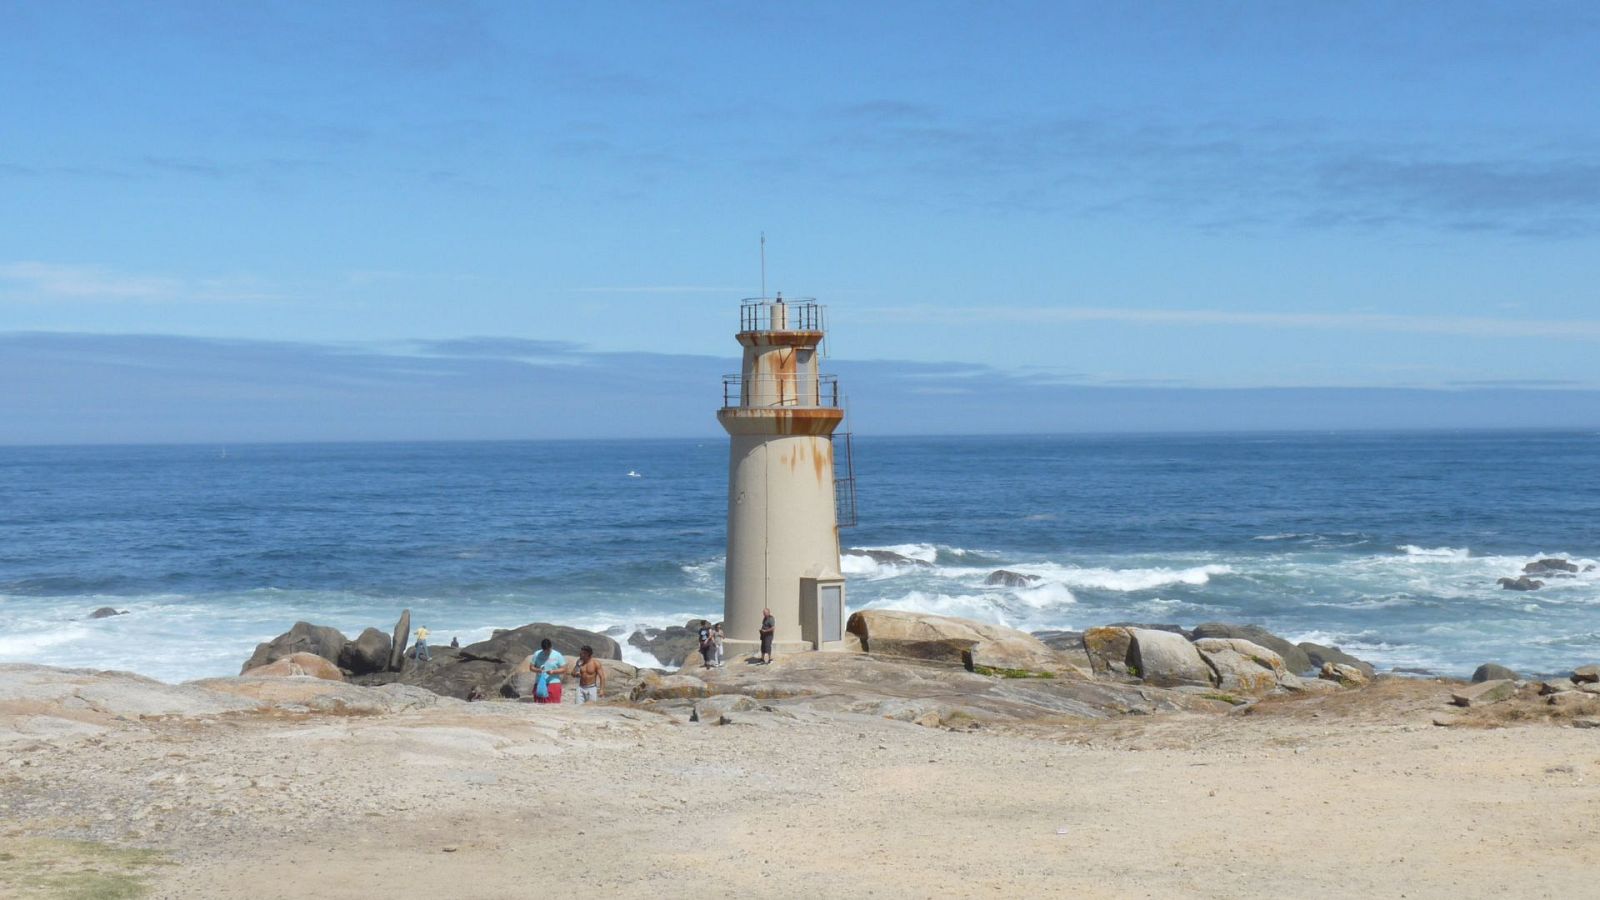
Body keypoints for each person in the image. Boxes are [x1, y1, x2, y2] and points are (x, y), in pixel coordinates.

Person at [530, 638, 566, 704]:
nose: (546, 652)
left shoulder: (557, 655)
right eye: (544, 650)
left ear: (551, 647)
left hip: (553, 683)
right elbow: (531, 667)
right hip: (539, 683)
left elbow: (564, 669)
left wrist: (553, 672)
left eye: (548, 650)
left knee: (553, 705)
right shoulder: (537, 654)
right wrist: (538, 670)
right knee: (538, 705)